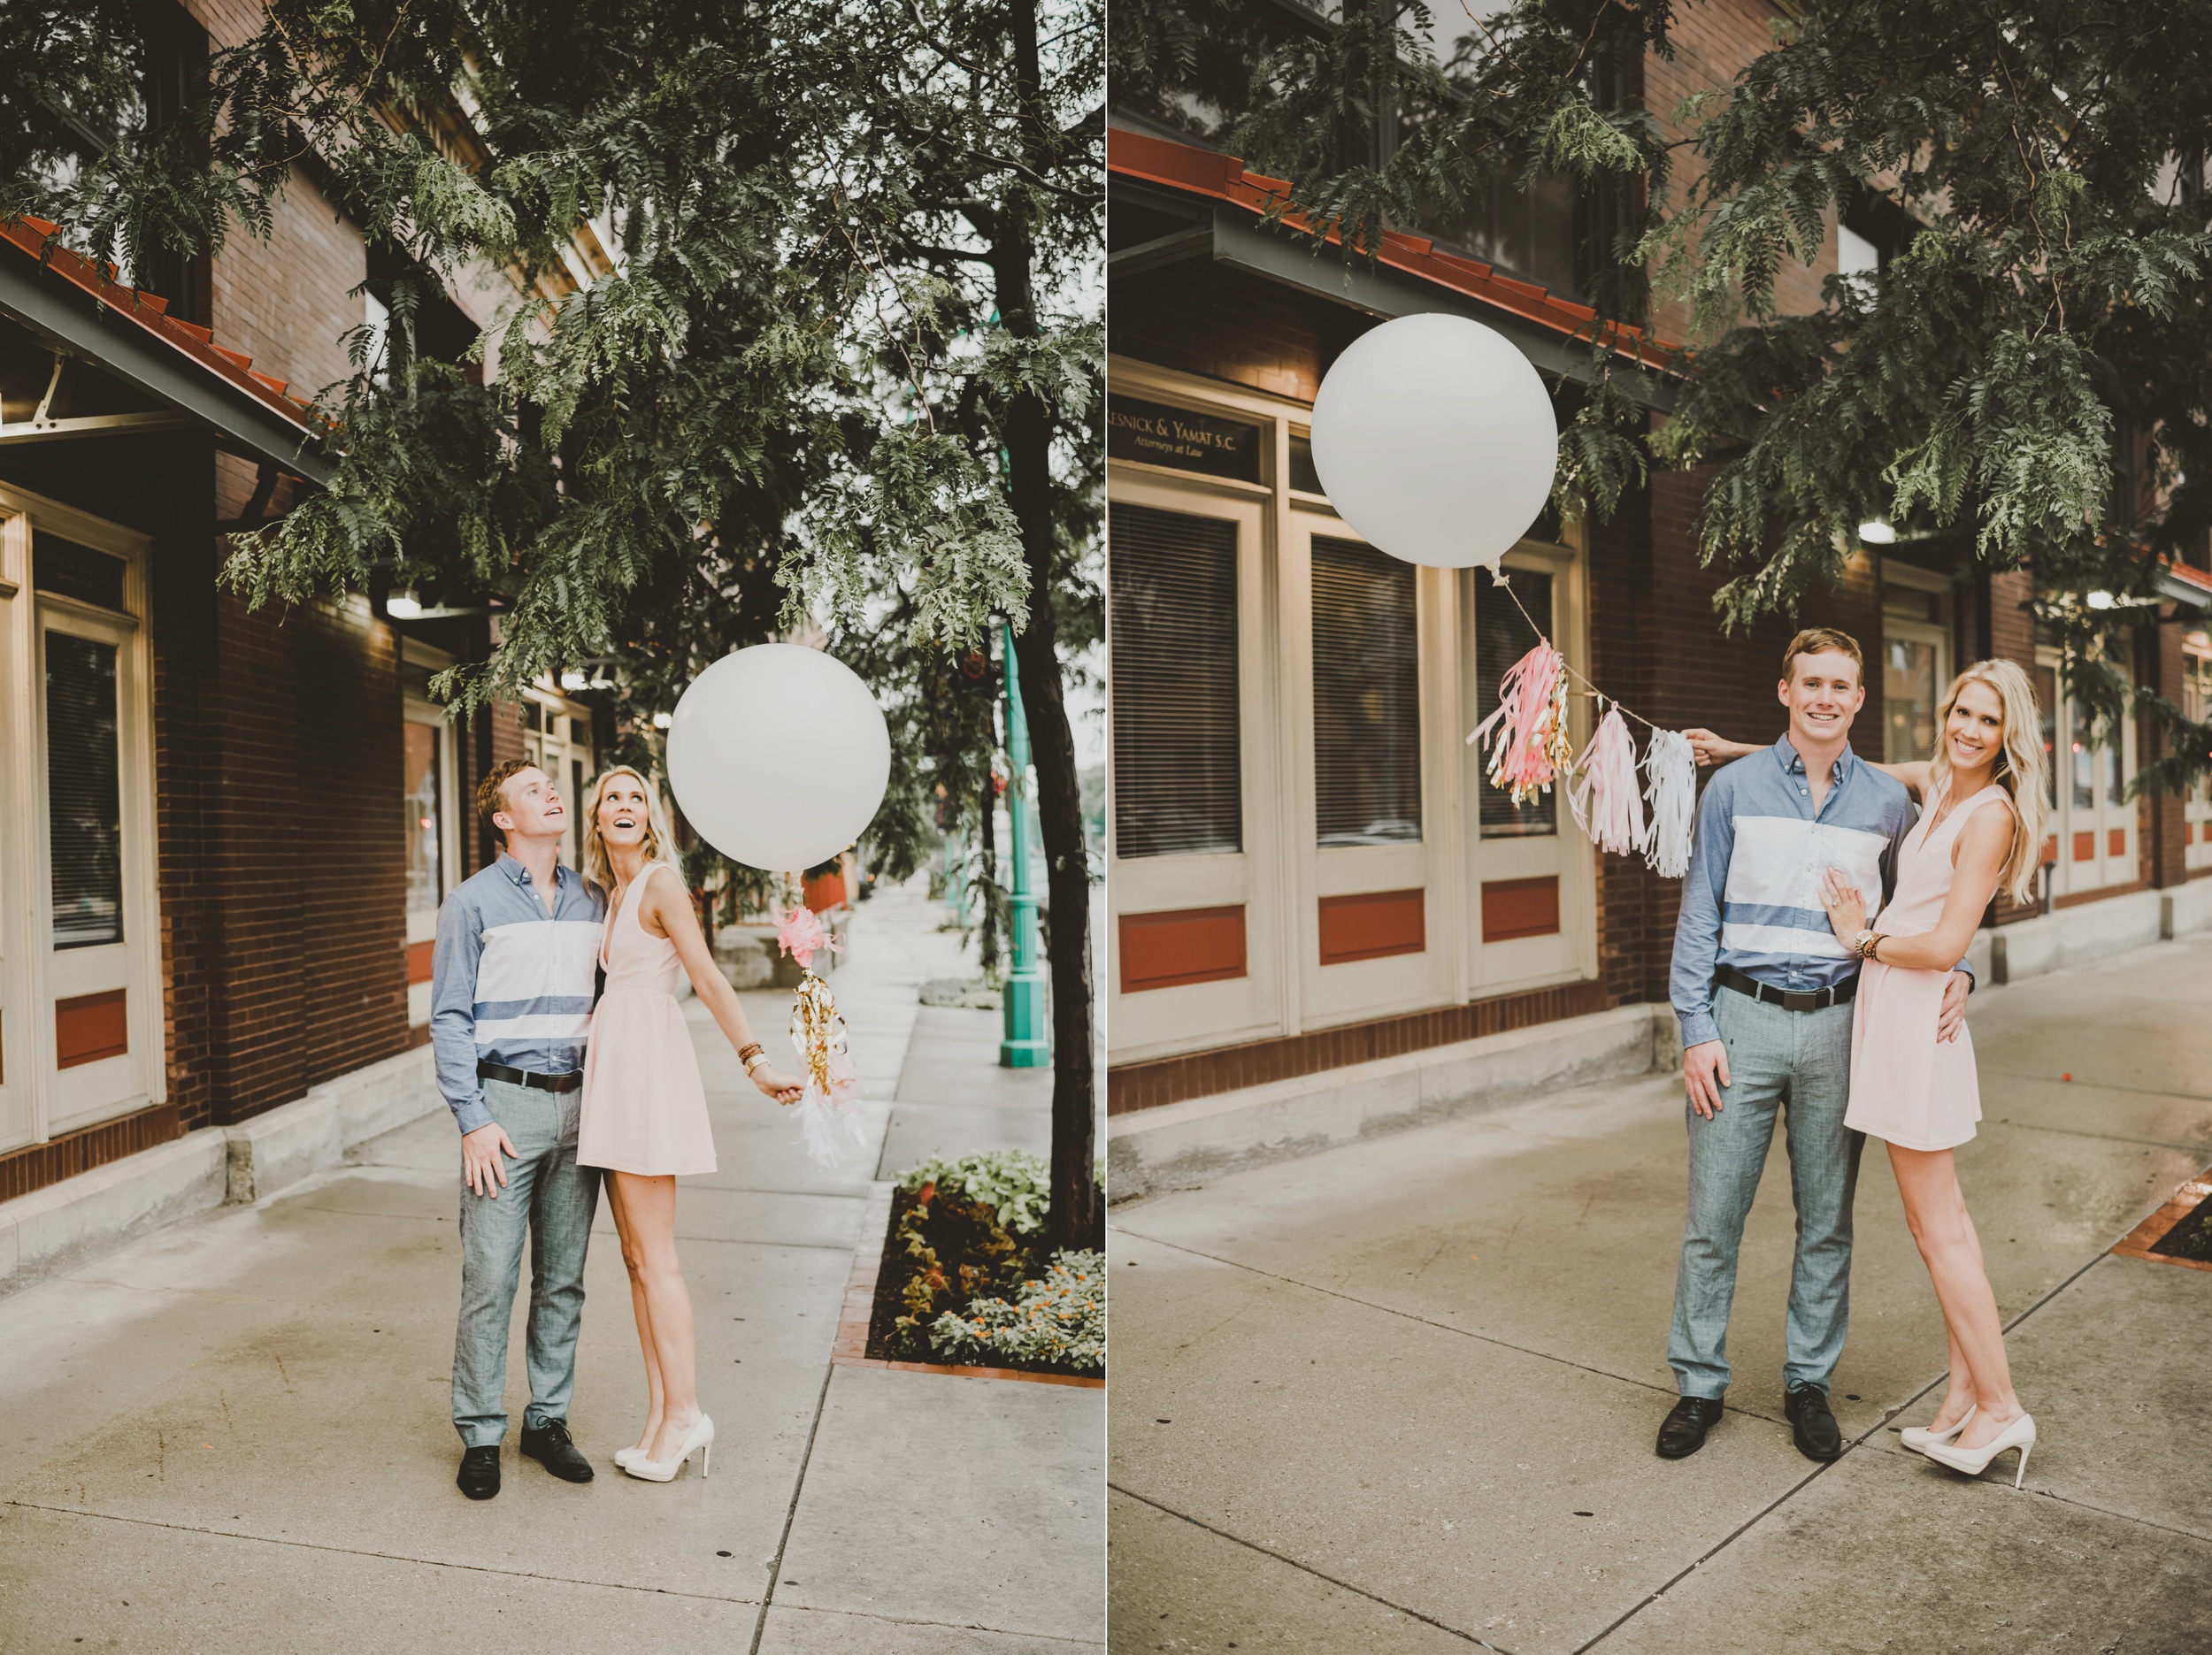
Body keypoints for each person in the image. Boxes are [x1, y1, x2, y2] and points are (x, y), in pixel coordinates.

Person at [1658, 629, 1974, 1465]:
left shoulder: (1887, 802)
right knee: (1713, 1216)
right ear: (1785, 691)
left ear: (1860, 699)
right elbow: (1699, 914)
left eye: (1842, 684)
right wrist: (1695, 1030)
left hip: (1844, 1023)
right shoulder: (1732, 789)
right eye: (1812, 683)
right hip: (1740, 1020)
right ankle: (1698, 1384)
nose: (1826, 697)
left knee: (1827, 1221)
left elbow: (1930, 905)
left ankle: (1808, 1383)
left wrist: (1963, 967)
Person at [577, 767, 803, 1483]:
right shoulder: (611, 893)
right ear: (596, 814)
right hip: (615, 1074)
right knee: (636, 1259)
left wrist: (755, 1059)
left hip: (646, 1074)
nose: (624, 805)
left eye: (636, 797)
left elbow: (706, 975)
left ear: (651, 817)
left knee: (659, 1255)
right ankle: (659, 1417)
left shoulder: (662, 883)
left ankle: (687, 1414)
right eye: (612, 795)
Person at [432, 760, 608, 1501]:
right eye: (534, 790)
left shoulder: (595, 899)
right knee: (491, 1277)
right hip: (505, 1109)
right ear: (503, 817)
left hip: (582, 1106)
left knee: (563, 1278)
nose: (553, 795)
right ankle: (480, 1432)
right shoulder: (471, 903)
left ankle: (546, 1419)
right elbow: (449, 1016)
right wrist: (473, 1120)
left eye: (553, 787)